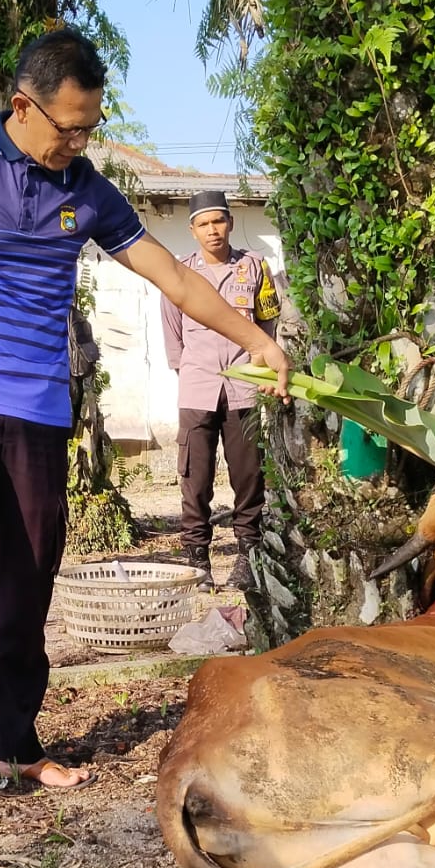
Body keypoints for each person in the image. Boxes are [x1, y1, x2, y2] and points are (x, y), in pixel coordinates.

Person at [0, 27, 291, 827]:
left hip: (40, 415)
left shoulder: (86, 190)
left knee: (28, 579)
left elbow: (172, 277)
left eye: (90, 126)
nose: (80, 141)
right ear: (24, 106)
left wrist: (256, 336)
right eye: (70, 126)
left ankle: (16, 742)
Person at [161, 191, 281, 593]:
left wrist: (261, 368)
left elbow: (267, 327)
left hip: (245, 389)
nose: (213, 230)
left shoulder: (255, 268)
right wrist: (189, 371)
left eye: (219, 221)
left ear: (230, 222)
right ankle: (198, 561)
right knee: (195, 478)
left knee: (248, 475)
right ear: (192, 230)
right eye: (204, 224)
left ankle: (248, 554)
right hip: (197, 389)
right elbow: (173, 338)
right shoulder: (180, 274)